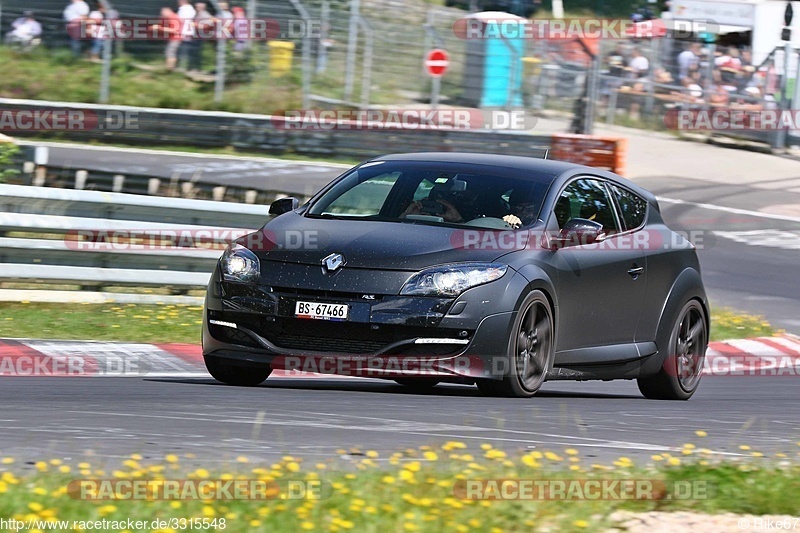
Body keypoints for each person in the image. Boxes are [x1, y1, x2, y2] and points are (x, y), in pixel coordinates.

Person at [176, 0, 197, 71]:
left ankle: (182, 66)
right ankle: (183, 66)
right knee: (184, 49)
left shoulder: (185, 9)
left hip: (184, 31)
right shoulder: (190, 9)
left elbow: (181, 20)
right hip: (187, 31)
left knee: (184, 49)